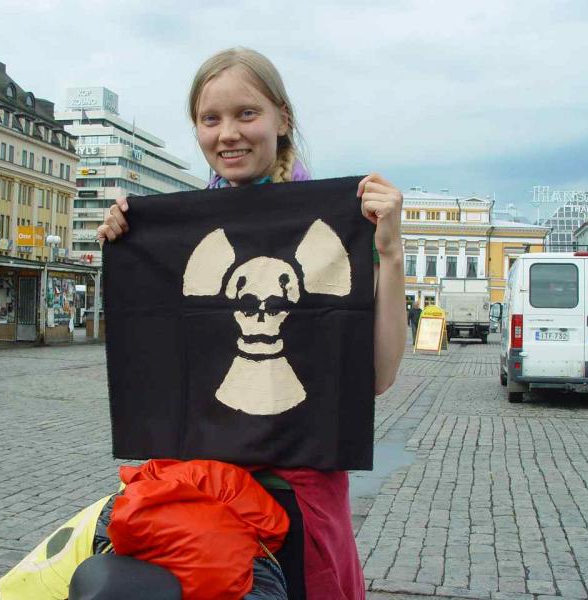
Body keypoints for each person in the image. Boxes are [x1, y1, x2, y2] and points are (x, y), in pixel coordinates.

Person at [97, 47, 407, 599]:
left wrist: (391, 254)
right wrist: (129, 251)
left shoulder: (341, 224)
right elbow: (151, 362)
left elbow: (377, 379)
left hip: (297, 504)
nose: (228, 134)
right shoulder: (174, 234)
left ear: (281, 120)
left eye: (247, 113)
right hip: (202, 512)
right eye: (210, 119)